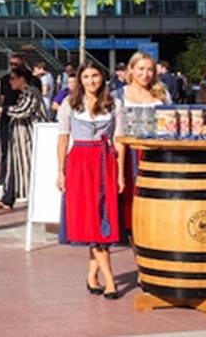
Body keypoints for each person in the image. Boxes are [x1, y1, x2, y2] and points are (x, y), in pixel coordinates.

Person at [57, 61, 126, 299]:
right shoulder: (69, 104)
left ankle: (92, 276)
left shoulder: (115, 104)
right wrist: (60, 171)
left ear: (102, 77)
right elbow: (63, 139)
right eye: (86, 76)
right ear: (79, 79)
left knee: (102, 218)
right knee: (90, 220)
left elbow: (119, 140)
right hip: (80, 163)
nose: (91, 81)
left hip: (105, 161)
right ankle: (110, 280)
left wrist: (120, 173)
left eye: (95, 75)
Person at [117, 51, 169, 240]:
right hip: (129, 154)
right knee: (131, 202)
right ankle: (135, 241)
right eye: (140, 69)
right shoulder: (118, 95)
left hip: (157, 154)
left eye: (149, 70)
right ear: (131, 69)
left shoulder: (162, 94)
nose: (145, 74)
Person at [0, 64, 45, 210]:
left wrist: (3, 109)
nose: (10, 82)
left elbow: (24, 110)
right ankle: (8, 197)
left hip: (28, 137)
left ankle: (26, 196)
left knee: (27, 166)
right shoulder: (24, 93)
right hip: (19, 136)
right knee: (14, 165)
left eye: (12, 78)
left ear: (21, 79)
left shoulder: (31, 92)